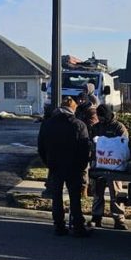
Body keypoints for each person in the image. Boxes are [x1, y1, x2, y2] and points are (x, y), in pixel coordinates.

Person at [37, 95, 92, 237]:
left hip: (55, 165)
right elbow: (84, 149)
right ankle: (78, 226)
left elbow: (41, 147)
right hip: (73, 167)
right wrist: (82, 166)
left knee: (57, 195)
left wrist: (48, 162)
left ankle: (59, 225)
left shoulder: (48, 124)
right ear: (73, 109)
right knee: (74, 197)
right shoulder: (79, 125)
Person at [90, 104, 129, 230]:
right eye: (99, 117)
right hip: (99, 164)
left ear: (108, 115)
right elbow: (91, 144)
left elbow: (124, 144)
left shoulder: (118, 127)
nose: (100, 120)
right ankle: (96, 217)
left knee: (116, 193)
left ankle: (119, 219)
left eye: (102, 117)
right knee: (97, 192)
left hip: (114, 166)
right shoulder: (96, 128)